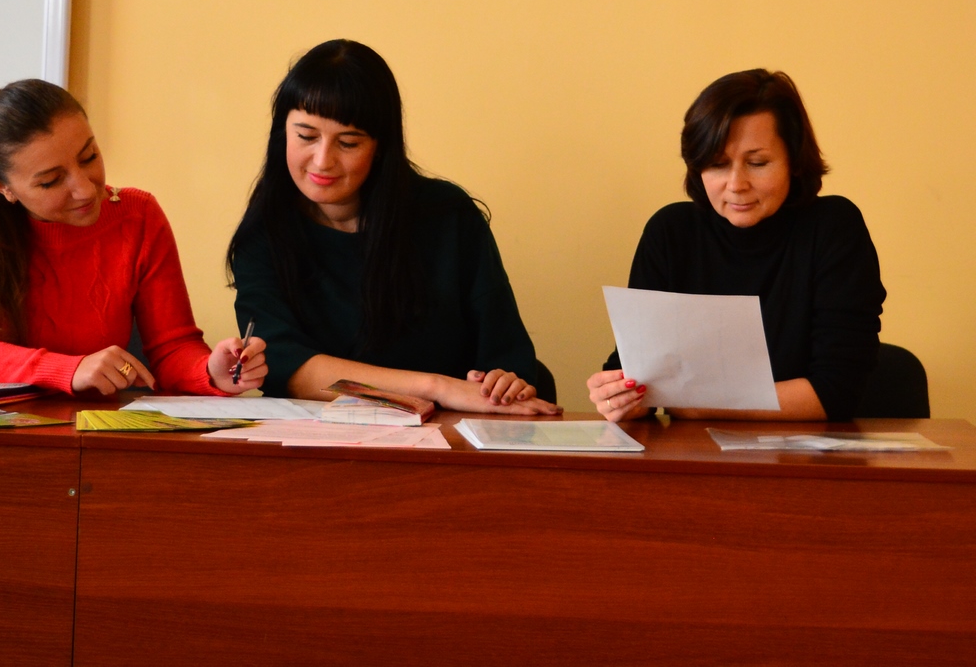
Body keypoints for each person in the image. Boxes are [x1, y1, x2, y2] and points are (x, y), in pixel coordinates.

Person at [227, 39, 557, 415]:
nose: (322, 160)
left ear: (380, 146)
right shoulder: (264, 234)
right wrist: (436, 387)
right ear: (282, 133)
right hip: (315, 438)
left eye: (348, 143)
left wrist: (505, 381)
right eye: (306, 136)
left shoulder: (448, 217)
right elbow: (288, 368)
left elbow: (507, 356)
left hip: (448, 435)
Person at [0, 78, 266, 395]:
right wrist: (68, 369)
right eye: (51, 181)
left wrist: (210, 371)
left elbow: (171, 347)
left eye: (89, 157)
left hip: (94, 426)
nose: (85, 189)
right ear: (1, 186)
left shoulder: (138, 216)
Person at [587, 69, 885, 422]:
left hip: (806, 451)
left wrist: (692, 403)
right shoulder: (671, 232)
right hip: (693, 451)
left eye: (757, 163)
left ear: (794, 160)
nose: (736, 184)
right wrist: (620, 398)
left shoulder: (834, 227)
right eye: (717, 164)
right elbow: (637, 373)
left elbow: (835, 393)